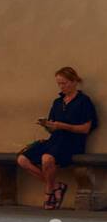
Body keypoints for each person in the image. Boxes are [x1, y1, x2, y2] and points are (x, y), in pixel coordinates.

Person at [18, 67, 97, 209]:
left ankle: (49, 192)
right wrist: (47, 125)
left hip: (72, 141)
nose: (62, 87)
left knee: (46, 158)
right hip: (55, 139)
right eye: (59, 84)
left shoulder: (83, 101)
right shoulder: (57, 102)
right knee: (22, 159)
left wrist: (63, 126)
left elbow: (85, 129)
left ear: (74, 82)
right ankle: (56, 186)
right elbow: (53, 126)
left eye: (64, 83)